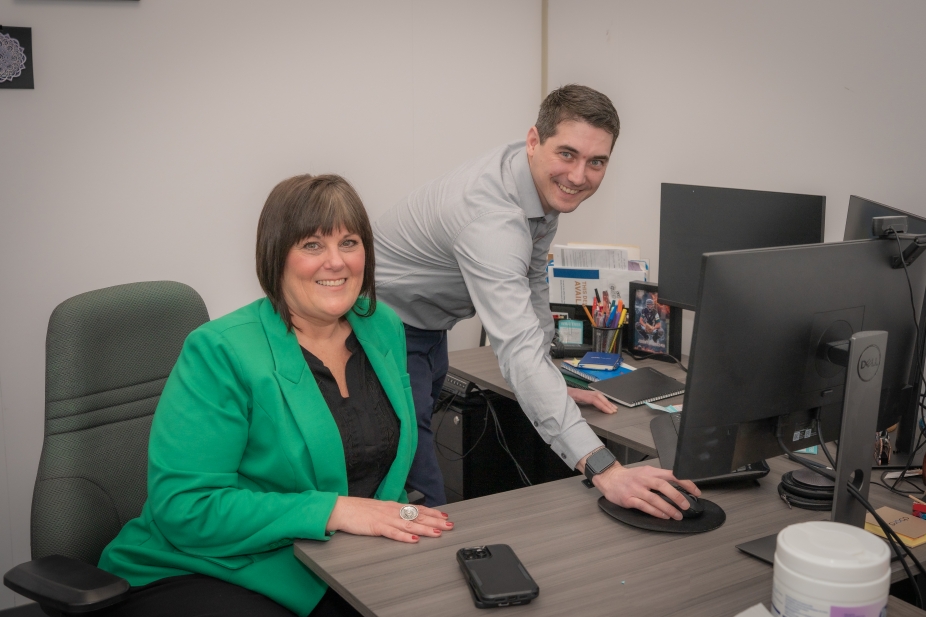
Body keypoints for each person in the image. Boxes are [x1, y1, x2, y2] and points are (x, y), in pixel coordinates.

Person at [98, 174, 454, 617]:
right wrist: (335, 511)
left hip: (337, 559)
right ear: (275, 256)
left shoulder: (383, 326)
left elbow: (388, 465)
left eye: (349, 242)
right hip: (207, 565)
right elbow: (187, 508)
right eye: (311, 245)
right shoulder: (220, 350)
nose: (336, 262)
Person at [374, 84, 699, 514]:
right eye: (567, 154)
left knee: (416, 474)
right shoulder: (491, 218)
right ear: (534, 141)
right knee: (419, 502)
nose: (579, 176)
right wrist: (604, 468)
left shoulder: (534, 182)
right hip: (380, 332)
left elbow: (533, 283)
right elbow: (516, 348)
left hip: (429, 329)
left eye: (596, 161)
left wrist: (553, 378)